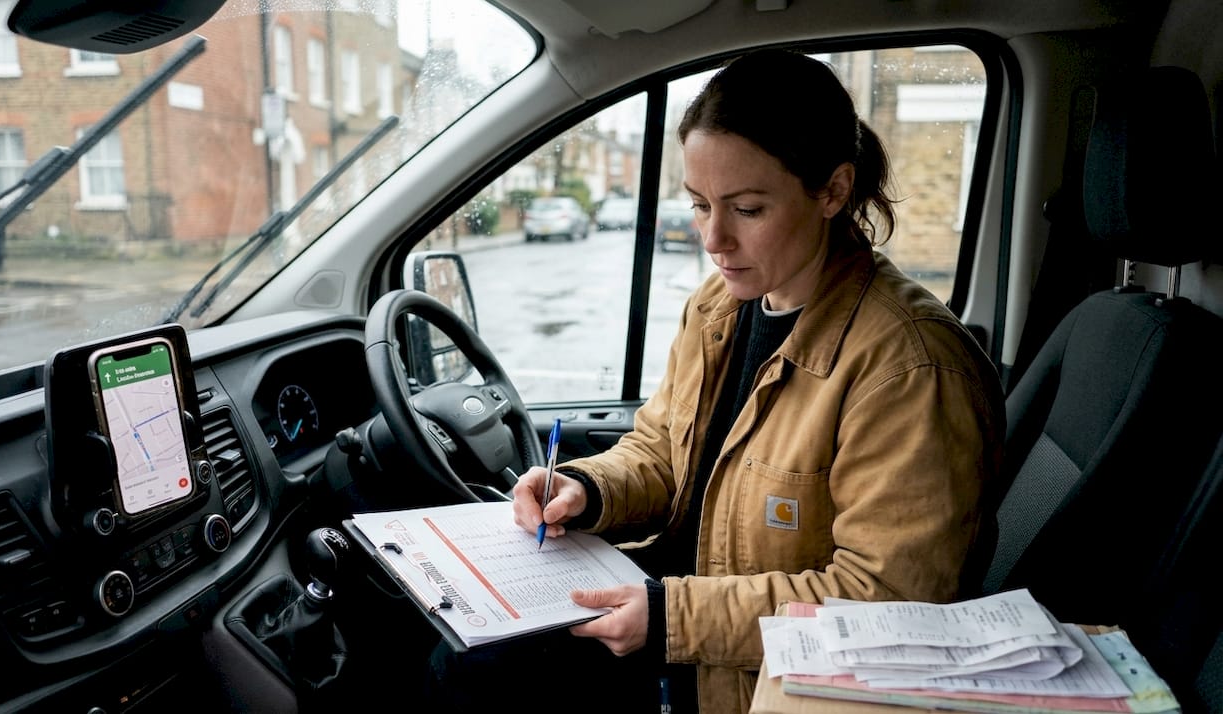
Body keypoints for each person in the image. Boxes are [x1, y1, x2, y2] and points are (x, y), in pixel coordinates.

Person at [427, 47, 1006, 714]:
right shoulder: (718, 306)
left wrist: (675, 619)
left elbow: (889, 600)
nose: (712, 238)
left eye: (747, 209)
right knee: (463, 648)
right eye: (699, 205)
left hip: (742, 674)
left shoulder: (909, 368)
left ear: (833, 192)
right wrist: (584, 488)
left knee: (469, 674)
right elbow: (662, 451)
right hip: (680, 614)